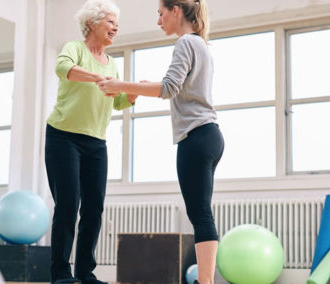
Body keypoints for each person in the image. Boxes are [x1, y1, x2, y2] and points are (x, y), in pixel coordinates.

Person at [97, 1, 224, 283]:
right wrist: (140, 85)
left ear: (176, 10)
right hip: (211, 136)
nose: (158, 21)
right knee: (202, 213)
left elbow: (168, 88)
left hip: (196, 136)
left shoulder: (185, 44)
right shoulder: (202, 45)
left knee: (201, 215)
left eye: (160, 14)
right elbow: (179, 87)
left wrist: (122, 85)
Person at [44, 1, 136, 283]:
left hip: (96, 143)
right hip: (63, 137)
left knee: (94, 209)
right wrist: (97, 77)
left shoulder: (113, 63)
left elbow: (117, 101)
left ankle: (85, 273)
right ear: (93, 23)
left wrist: (131, 94)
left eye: (116, 23)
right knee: (68, 205)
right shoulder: (75, 48)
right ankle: (60, 273)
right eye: (110, 21)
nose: (115, 27)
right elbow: (63, 68)